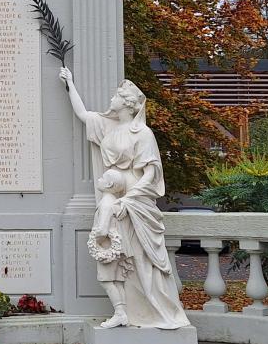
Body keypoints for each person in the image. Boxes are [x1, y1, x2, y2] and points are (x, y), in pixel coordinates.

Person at [59, 67, 189, 330]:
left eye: (117, 96)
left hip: (134, 202)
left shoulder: (141, 134)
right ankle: (121, 312)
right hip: (111, 194)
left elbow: (150, 174)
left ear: (128, 104)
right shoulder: (107, 126)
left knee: (139, 261)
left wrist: (129, 199)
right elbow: (83, 114)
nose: (112, 99)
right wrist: (70, 83)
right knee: (108, 257)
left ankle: (152, 310)